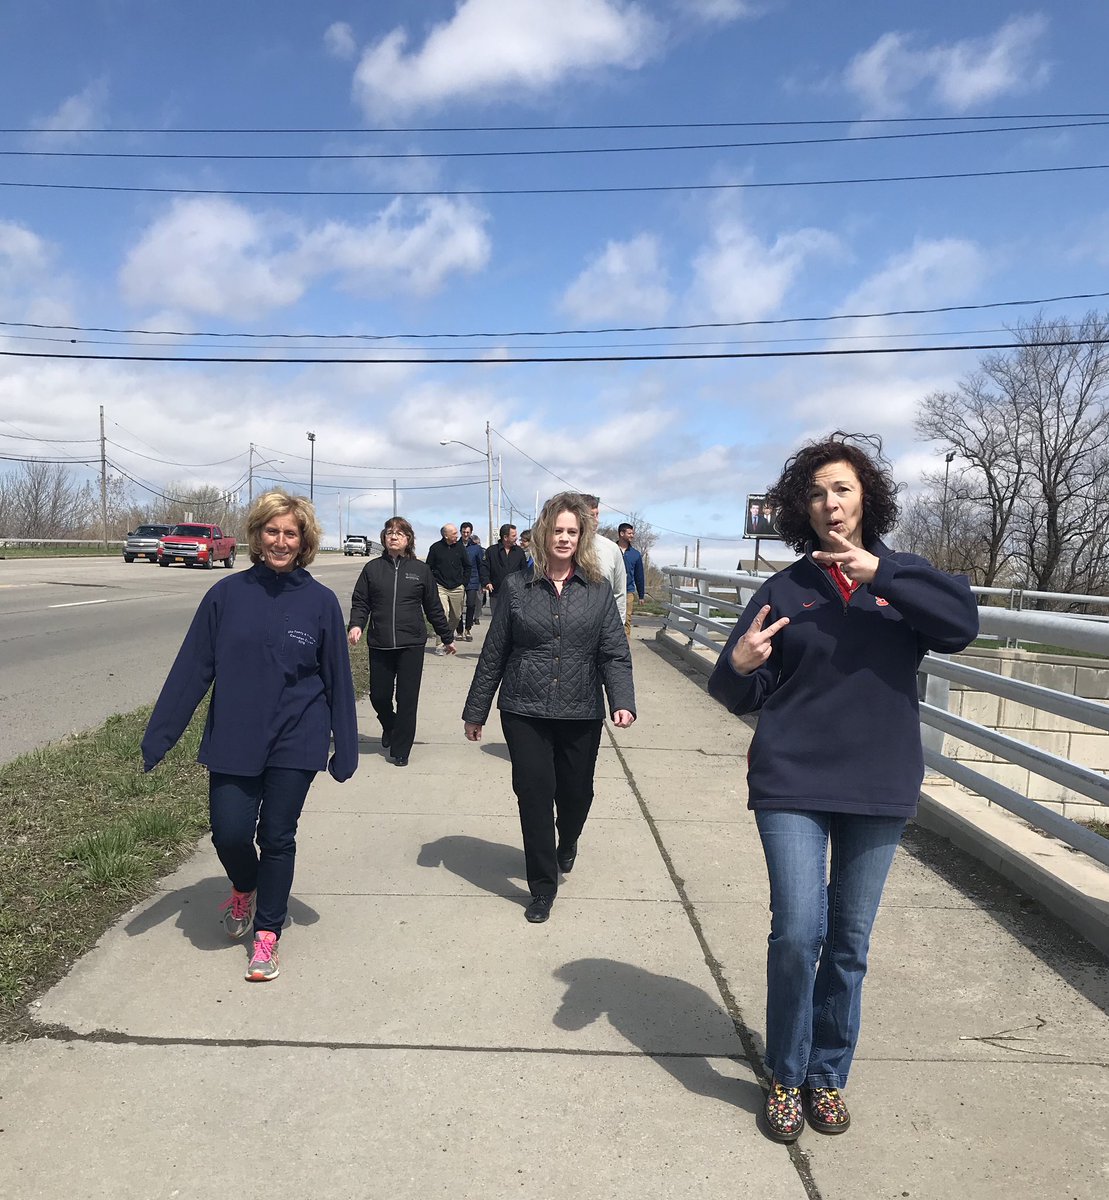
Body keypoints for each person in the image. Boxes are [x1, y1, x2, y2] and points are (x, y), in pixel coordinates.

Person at [706, 433, 978, 1142]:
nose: (830, 502)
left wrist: (879, 575)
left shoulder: (906, 577)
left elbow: (960, 628)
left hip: (878, 782)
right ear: (803, 507)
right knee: (798, 933)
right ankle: (786, 1075)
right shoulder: (785, 588)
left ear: (866, 500)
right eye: (818, 492)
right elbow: (734, 689)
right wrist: (737, 663)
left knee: (849, 942)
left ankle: (827, 1076)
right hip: (791, 777)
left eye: (843, 489)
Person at [141, 490, 358, 983]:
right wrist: (161, 736)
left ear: (303, 541)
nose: (281, 541)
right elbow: (192, 669)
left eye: (291, 533)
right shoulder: (225, 595)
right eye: (272, 531)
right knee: (229, 832)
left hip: (296, 736)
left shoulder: (320, 602)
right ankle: (246, 885)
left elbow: (338, 681)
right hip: (235, 733)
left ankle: (267, 933)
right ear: (258, 536)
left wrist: (343, 747)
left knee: (277, 836)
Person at [463, 492, 636, 924]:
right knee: (534, 794)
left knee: (576, 793)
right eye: (557, 530)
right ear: (543, 534)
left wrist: (622, 701)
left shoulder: (596, 592)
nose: (563, 538)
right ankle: (543, 886)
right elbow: (494, 651)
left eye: (571, 532)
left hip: (580, 709)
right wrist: (476, 710)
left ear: (582, 537)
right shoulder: (517, 587)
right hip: (524, 708)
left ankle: (568, 840)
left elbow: (613, 653)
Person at [348, 516, 456, 767]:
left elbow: (433, 606)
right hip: (380, 642)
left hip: (411, 644)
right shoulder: (372, 569)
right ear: (384, 538)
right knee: (379, 696)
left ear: (408, 540)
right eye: (389, 533)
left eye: (399, 533)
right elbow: (361, 601)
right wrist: (356, 625)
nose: (393, 536)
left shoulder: (420, 570)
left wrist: (447, 636)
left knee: (407, 699)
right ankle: (391, 725)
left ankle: (401, 749)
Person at [425, 522, 470, 655]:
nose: (457, 535)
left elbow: (468, 566)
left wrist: (463, 583)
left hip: (457, 587)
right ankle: (440, 644)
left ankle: (447, 638)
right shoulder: (435, 548)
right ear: (446, 535)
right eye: (454, 533)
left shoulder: (460, 547)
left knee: (456, 616)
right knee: (442, 614)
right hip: (440, 586)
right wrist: (432, 583)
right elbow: (428, 567)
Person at [581, 494, 627, 624]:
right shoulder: (564, 548)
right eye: (591, 516)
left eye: (597, 515)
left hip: (602, 626)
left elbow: (619, 593)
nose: (596, 520)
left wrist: (619, 627)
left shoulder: (611, 549)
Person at [483, 522, 527, 614]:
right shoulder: (491, 551)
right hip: (496, 592)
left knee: (514, 621)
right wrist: (486, 582)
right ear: (505, 537)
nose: (516, 538)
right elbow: (484, 568)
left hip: (515, 593)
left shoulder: (519, 552)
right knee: (497, 621)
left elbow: (524, 571)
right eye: (514, 535)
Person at [458, 523, 487, 641]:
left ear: (471, 533)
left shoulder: (476, 548)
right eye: (463, 532)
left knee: (471, 604)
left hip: (473, 580)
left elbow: (481, 566)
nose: (465, 534)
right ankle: (459, 631)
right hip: (457, 581)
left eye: (467, 532)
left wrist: (483, 582)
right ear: (460, 532)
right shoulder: (455, 545)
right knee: (458, 607)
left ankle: (468, 629)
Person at [617, 522, 645, 637]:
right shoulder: (611, 549)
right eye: (629, 533)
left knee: (627, 620)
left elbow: (639, 576)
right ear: (621, 533)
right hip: (612, 590)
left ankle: (625, 647)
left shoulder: (635, 554)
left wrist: (641, 595)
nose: (632, 535)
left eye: (632, 533)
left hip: (628, 591)